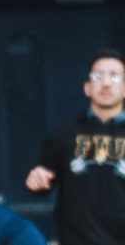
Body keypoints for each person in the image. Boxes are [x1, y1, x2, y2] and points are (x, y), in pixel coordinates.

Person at [25, 47, 125, 245]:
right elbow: (41, 185)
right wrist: (35, 181)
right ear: (87, 87)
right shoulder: (63, 133)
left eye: (114, 77)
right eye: (98, 76)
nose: (105, 83)